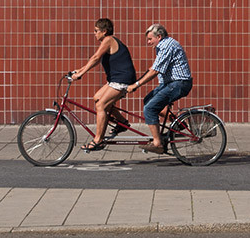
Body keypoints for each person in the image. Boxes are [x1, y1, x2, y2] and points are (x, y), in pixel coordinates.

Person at [68, 18, 136, 149]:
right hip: (115, 79)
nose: (94, 33)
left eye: (96, 31)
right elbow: (95, 59)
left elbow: (95, 58)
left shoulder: (109, 40)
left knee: (101, 106)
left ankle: (98, 140)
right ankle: (122, 123)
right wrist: (79, 70)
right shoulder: (108, 41)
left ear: (104, 31)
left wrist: (81, 75)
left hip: (122, 80)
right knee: (97, 98)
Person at [127, 23, 192, 154]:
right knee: (148, 100)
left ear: (159, 36)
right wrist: (136, 81)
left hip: (179, 83)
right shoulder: (161, 46)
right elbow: (153, 68)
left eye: (150, 39)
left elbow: (155, 71)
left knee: (150, 108)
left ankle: (157, 143)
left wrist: (137, 85)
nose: (148, 42)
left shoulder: (166, 46)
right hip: (170, 83)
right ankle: (179, 123)